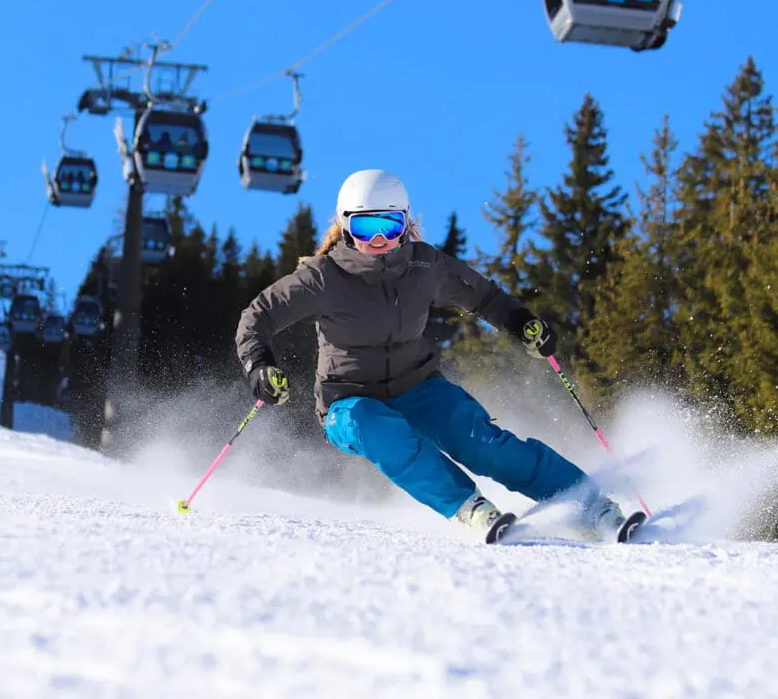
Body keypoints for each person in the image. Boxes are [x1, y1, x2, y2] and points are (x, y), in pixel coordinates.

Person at [235, 169, 627, 543]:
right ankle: (470, 509)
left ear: (404, 223)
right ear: (346, 225)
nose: (377, 240)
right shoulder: (323, 277)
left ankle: (591, 506)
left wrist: (520, 322)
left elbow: (483, 296)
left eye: (388, 226)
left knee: (481, 443)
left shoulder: (424, 266)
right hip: (348, 402)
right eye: (364, 228)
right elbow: (258, 316)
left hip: (419, 387)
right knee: (378, 428)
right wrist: (259, 365)